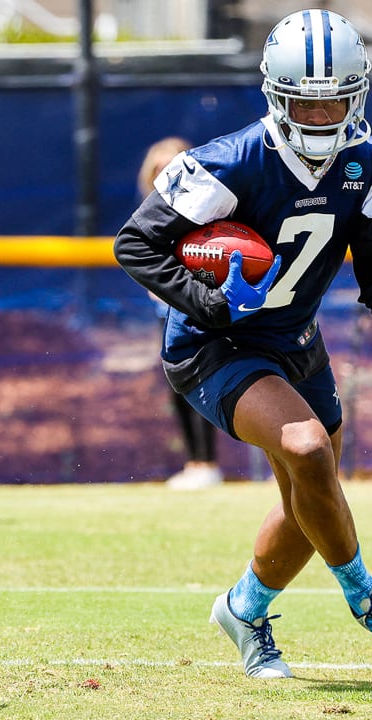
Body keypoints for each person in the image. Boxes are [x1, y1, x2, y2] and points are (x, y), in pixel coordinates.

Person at [114, 9, 372, 678]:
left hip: (296, 341)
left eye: (335, 100)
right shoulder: (228, 162)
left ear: (358, 95)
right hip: (215, 343)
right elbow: (135, 243)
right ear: (276, 95)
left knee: (307, 500)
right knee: (307, 447)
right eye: (305, 101)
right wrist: (210, 299)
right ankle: (367, 597)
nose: (321, 116)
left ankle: (244, 610)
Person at [137, 136, 224, 490]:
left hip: (198, 311)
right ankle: (194, 462)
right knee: (177, 386)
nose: (165, 174)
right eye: (159, 168)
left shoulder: (206, 211)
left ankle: (209, 463)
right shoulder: (150, 213)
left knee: (202, 383)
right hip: (166, 313)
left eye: (172, 166)